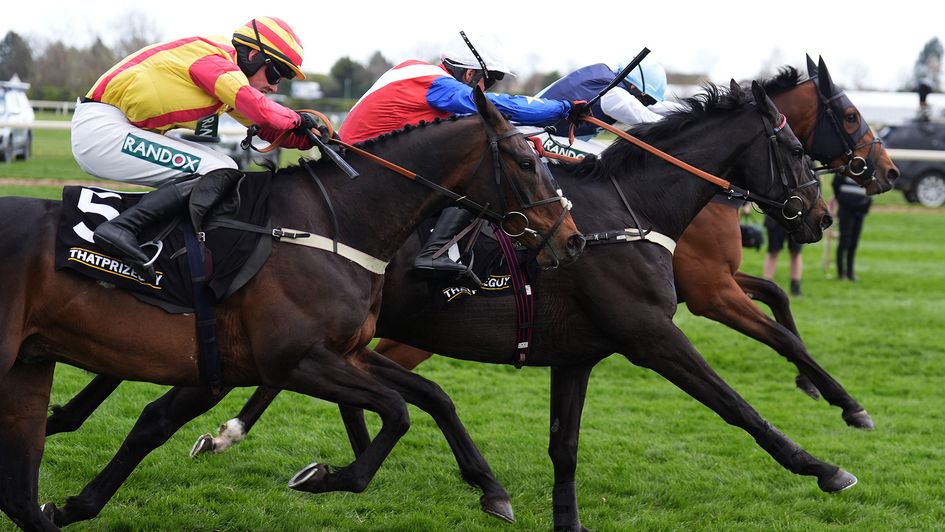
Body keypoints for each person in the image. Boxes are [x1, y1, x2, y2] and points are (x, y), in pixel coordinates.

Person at [71, 16, 317, 279]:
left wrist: (316, 138)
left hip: (118, 128)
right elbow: (258, 108)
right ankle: (122, 227)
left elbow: (269, 128)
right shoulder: (214, 60)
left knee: (226, 167)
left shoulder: (229, 79)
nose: (274, 85)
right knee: (217, 168)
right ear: (254, 55)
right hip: (101, 131)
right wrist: (297, 118)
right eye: (275, 73)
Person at [338, 31, 583, 276]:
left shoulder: (423, 78)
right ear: (469, 74)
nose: (486, 88)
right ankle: (435, 252)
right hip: (359, 174)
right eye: (489, 81)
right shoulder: (433, 81)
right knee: (476, 173)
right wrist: (564, 108)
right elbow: (495, 107)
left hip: (358, 166)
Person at [532, 56, 675, 156]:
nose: (648, 104)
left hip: (544, 133)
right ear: (633, 86)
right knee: (602, 161)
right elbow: (650, 119)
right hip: (534, 135)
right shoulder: (615, 95)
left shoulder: (608, 79)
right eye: (649, 100)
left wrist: (693, 107)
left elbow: (656, 108)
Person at [832, 173, 872, 281]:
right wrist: (841, 199)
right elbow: (836, 183)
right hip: (846, 209)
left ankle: (850, 272)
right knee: (844, 241)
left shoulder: (868, 167)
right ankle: (841, 273)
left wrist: (867, 203)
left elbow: (873, 185)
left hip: (860, 209)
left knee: (854, 242)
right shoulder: (846, 166)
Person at [763, 213, 804, 296]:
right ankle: (766, 286)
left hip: (796, 218)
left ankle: (795, 287)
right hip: (776, 216)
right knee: (773, 252)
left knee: (796, 252)